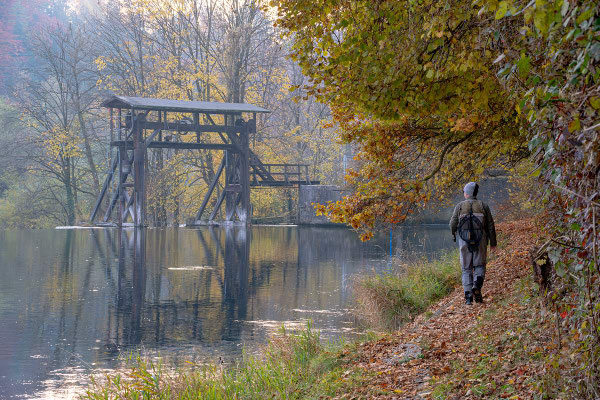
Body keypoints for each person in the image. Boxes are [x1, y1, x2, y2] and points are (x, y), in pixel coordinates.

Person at [449, 182, 497, 305]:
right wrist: (493, 243)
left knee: (466, 268)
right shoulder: (483, 206)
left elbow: (452, 224)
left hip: (464, 241)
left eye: (464, 191)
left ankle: (468, 297)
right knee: (480, 266)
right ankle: (477, 285)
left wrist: (454, 234)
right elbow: (490, 226)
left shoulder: (459, 206)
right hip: (481, 240)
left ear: (467, 193)